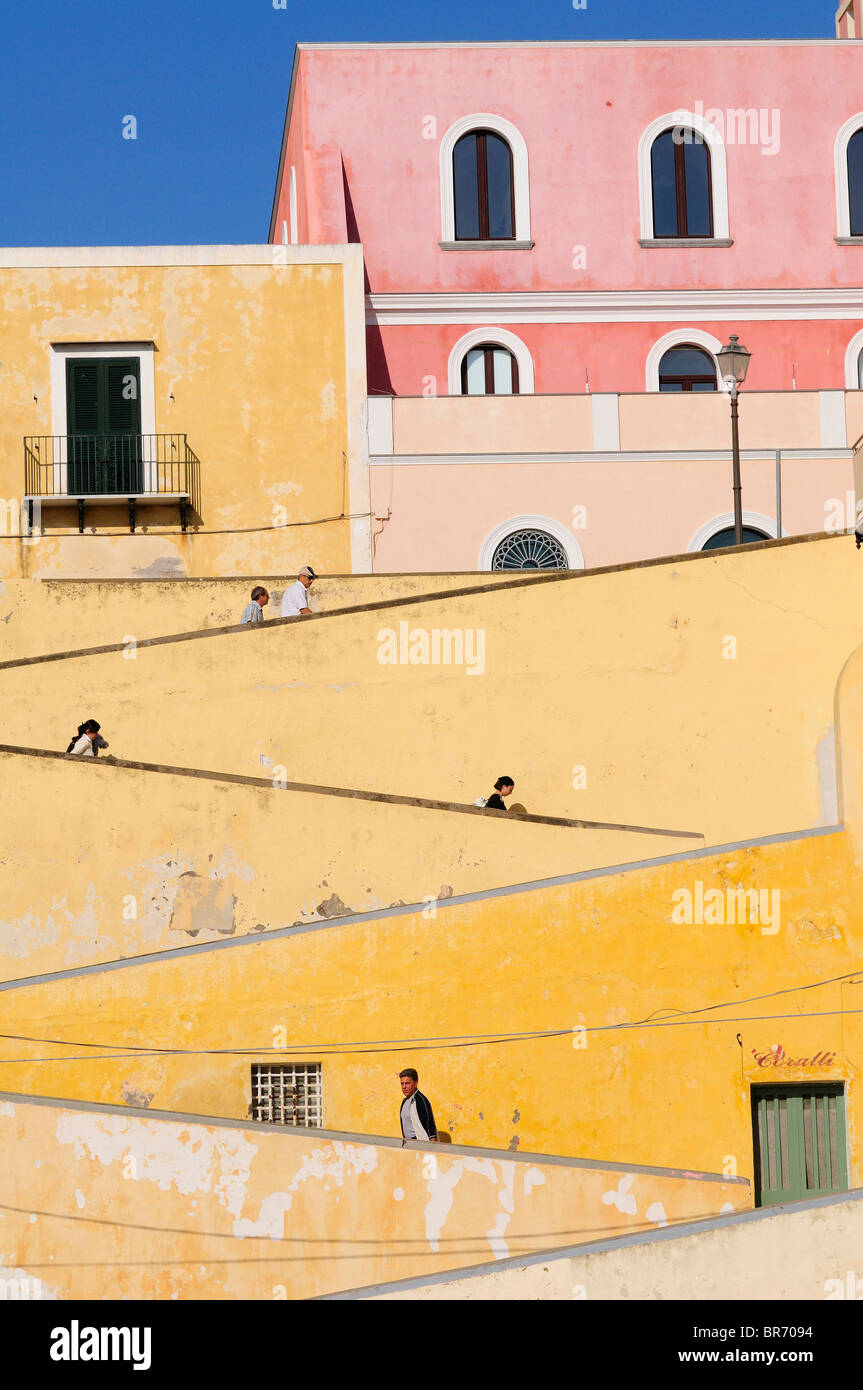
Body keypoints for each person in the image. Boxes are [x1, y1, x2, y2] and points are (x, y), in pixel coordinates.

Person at [399, 1069, 438, 1143]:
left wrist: (433, 1148)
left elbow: (430, 1124)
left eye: (407, 1083)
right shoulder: (405, 1102)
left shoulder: (421, 1100)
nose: (404, 1087)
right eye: (402, 1083)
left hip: (420, 1143)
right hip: (408, 1143)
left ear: (416, 1083)